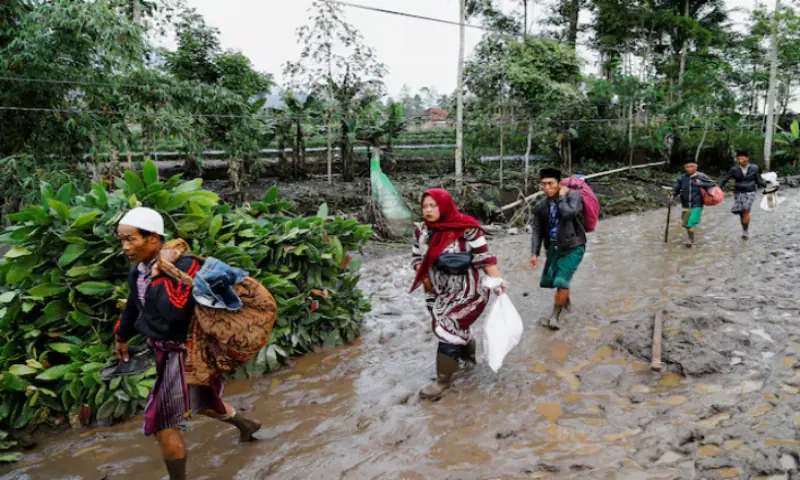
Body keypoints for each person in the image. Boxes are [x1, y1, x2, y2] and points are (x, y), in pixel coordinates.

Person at [114, 207, 261, 480]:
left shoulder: (184, 268)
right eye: (122, 239)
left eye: (130, 239)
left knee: (163, 424)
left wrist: (160, 275)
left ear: (153, 238)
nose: (124, 247)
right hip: (163, 352)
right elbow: (134, 303)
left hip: (186, 354)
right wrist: (121, 335)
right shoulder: (138, 269)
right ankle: (247, 424)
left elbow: (173, 315)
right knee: (202, 401)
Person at [410, 189, 505, 400]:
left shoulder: (468, 229)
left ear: (444, 205)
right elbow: (416, 258)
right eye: (425, 206)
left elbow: (485, 259)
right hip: (438, 292)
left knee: (447, 325)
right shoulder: (422, 231)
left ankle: (442, 381)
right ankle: (468, 360)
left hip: (469, 292)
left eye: (433, 205)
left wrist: (499, 283)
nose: (428, 210)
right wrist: (425, 279)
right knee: (456, 327)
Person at [529, 168, 586, 330]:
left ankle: (555, 317)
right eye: (543, 184)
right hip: (553, 247)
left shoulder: (573, 196)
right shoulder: (541, 206)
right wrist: (534, 252)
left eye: (550, 184)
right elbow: (537, 231)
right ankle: (566, 302)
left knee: (561, 280)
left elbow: (569, 214)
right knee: (553, 281)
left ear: (559, 184)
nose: (547, 188)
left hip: (573, 246)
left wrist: (561, 197)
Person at [718, 150, 767, 239]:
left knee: (745, 210)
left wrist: (768, 185)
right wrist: (718, 189)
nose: (740, 160)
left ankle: (745, 232)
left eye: (742, 158)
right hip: (738, 192)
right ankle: (745, 229)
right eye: (739, 158)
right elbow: (724, 179)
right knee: (741, 213)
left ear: (747, 159)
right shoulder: (734, 169)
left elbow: (758, 180)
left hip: (750, 192)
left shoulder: (755, 168)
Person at [670, 161, 715, 247]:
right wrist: (672, 195)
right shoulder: (682, 178)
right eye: (687, 167)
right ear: (684, 167)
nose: (689, 168)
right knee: (686, 224)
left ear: (696, 167)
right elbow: (676, 188)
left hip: (697, 203)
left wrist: (701, 183)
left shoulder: (701, 176)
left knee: (690, 222)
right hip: (685, 204)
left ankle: (690, 240)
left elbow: (712, 184)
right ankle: (691, 238)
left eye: (691, 166)